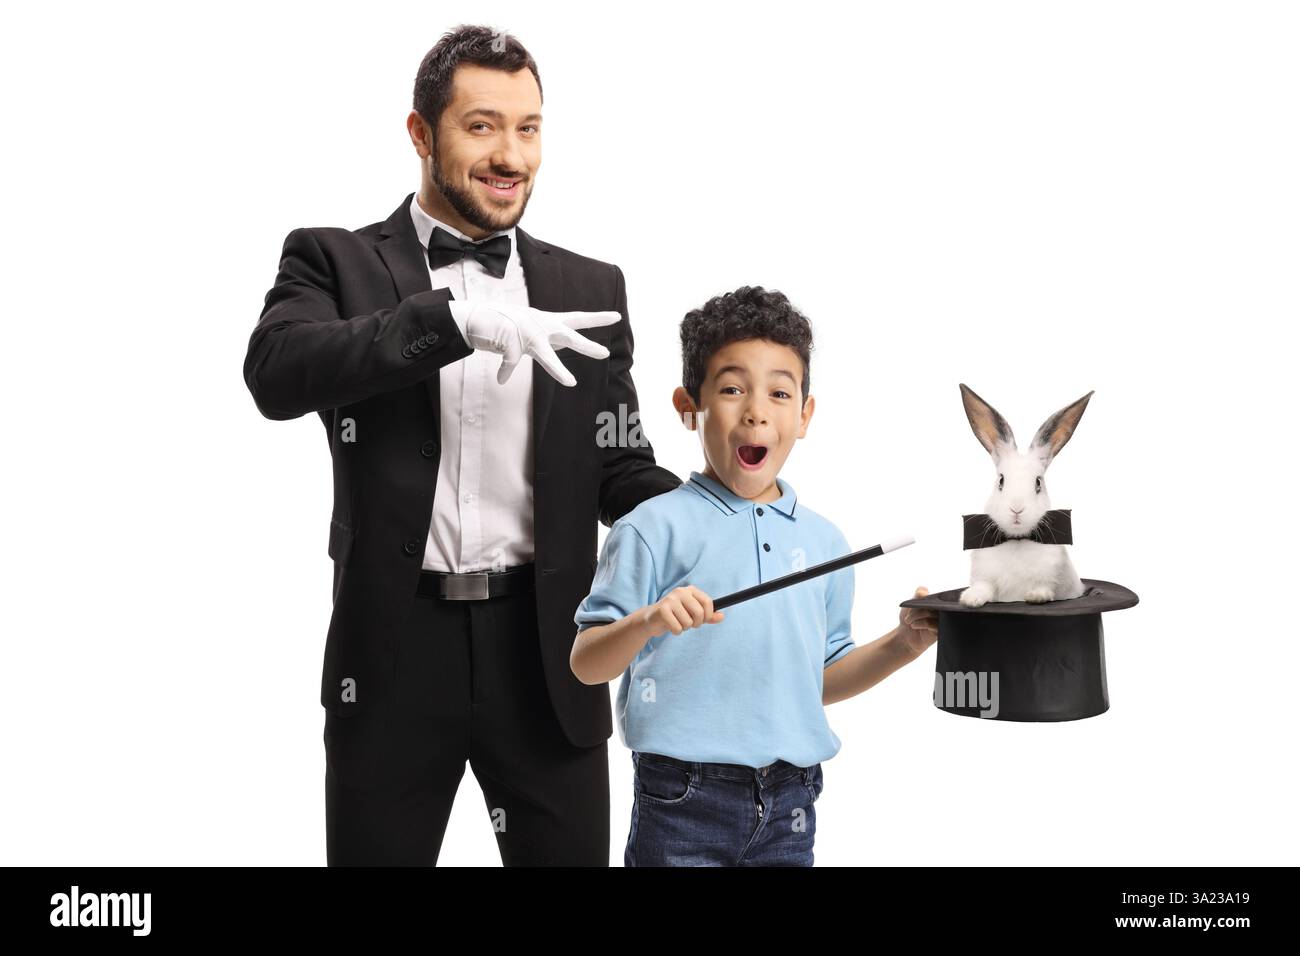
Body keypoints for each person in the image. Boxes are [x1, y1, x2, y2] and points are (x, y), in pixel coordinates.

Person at [243, 24, 680, 865]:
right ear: (421, 135)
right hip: (395, 652)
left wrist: (712, 513)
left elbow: (615, 460)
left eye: (528, 127)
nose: (510, 154)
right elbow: (276, 371)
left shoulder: (592, 287)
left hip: (552, 651)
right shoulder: (334, 261)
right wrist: (444, 322)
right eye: (481, 126)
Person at [570, 286, 940, 866]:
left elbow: (821, 678)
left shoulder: (825, 544)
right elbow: (588, 661)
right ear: (688, 406)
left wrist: (903, 643)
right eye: (732, 388)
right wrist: (645, 621)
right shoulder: (651, 527)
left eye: (779, 393)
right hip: (681, 796)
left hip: (793, 796)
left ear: (804, 415)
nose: (756, 411)